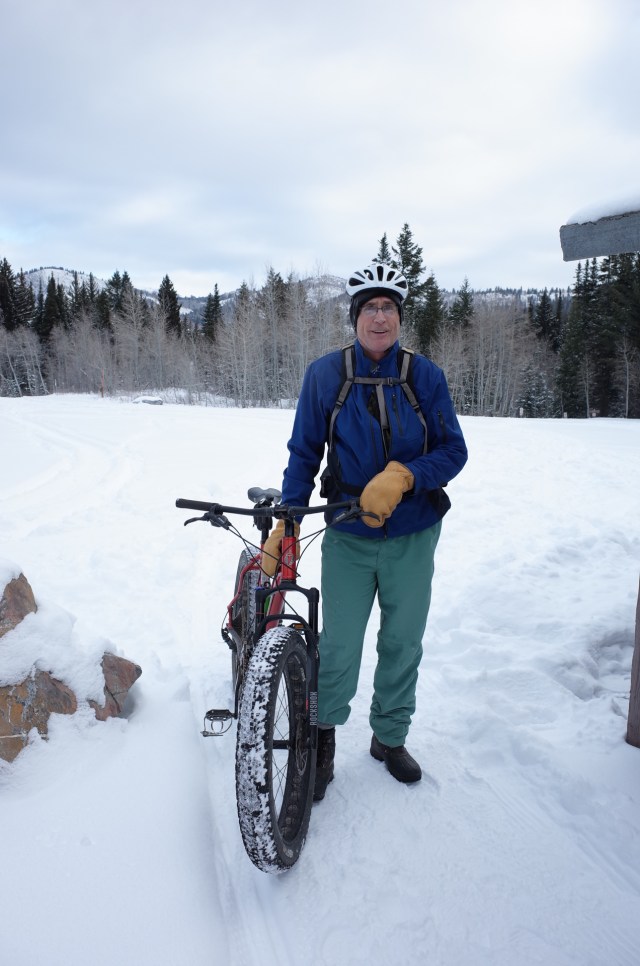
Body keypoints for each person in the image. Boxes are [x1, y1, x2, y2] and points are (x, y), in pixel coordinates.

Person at [263, 263, 468, 801]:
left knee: (403, 642)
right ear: (355, 318)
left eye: (389, 309)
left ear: (400, 318)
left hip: (413, 533)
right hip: (349, 533)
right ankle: (324, 737)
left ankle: (389, 738)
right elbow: (304, 452)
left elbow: (454, 451)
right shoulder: (325, 375)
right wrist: (287, 517)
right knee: (339, 644)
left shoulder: (426, 377)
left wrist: (405, 475)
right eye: (370, 309)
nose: (380, 317)